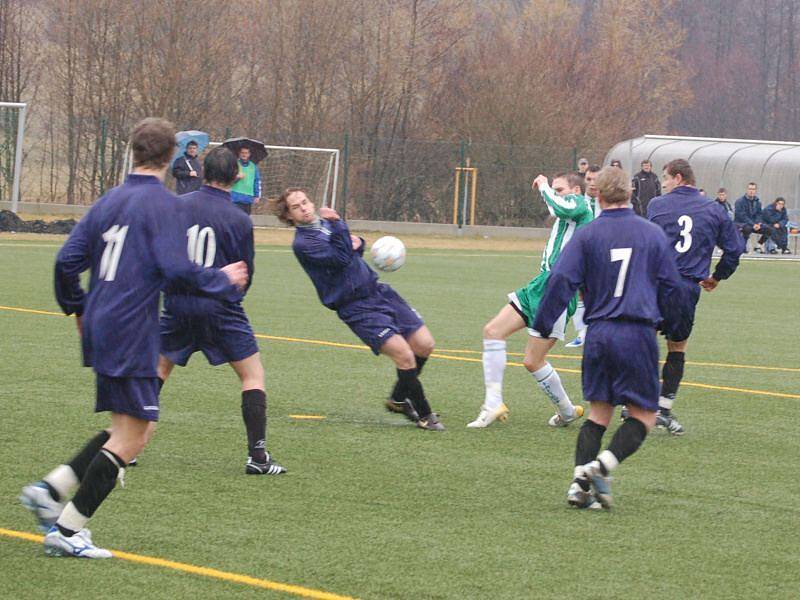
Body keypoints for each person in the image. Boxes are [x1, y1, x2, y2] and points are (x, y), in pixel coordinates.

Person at [20, 118, 248, 558]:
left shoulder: (108, 201)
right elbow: (177, 270)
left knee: (126, 427)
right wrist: (220, 279)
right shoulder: (163, 206)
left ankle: (49, 491)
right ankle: (68, 531)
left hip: (104, 323)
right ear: (171, 157)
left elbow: (66, 262)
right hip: (130, 329)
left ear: (134, 152)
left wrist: (78, 308)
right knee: (137, 434)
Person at [532, 166, 689, 509]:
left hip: (599, 332)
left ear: (597, 196)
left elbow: (560, 280)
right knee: (644, 415)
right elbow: (673, 287)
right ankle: (601, 467)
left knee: (598, 415)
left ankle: (578, 484)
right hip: (637, 333)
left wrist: (544, 322)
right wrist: (671, 323)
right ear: (631, 195)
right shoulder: (650, 234)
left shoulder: (587, 236)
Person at [270, 188, 444, 431]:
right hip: (356, 307)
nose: (305, 208)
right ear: (289, 216)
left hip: (378, 291)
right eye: (297, 207)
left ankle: (397, 398)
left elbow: (351, 250)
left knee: (425, 344)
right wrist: (340, 225)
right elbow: (341, 258)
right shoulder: (304, 243)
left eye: (305, 202)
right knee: (404, 355)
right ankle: (425, 415)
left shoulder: (326, 226)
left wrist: (359, 242)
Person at [158, 146, 285, 474]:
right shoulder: (239, 219)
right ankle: (257, 457)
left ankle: (125, 447)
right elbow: (247, 273)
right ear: (235, 176)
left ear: (203, 172)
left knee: (156, 372)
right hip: (221, 307)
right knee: (252, 375)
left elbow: (164, 257)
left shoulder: (176, 207)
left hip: (178, 305)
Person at [468, 172, 593, 429]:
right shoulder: (568, 209)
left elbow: (559, 204)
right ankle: (493, 403)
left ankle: (567, 411)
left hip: (558, 291)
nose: (556, 194)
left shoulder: (582, 206)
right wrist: (548, 189)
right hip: (539, 285)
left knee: (532, 361)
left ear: (576, 191)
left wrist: (545, 185)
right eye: (555, 189)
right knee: (493, 331)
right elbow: (557, 205)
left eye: (561, 189)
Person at [647, 159, 743, 435]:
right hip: (686, 288)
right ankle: (663, 409)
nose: (662, 184)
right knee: (677, 347)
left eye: (665, 178)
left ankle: (638, 403)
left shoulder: (656, 205)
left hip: (654, 284)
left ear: (678, 178)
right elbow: (734, 250)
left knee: (645, 339)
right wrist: (717, 276)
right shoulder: (714, 209)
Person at [565, 165, 601, 348]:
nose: (592, 183)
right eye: (589, 179)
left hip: (603, 256)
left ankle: (598, 332)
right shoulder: (578, 203)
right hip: (583, 255)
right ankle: (582, 333)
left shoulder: (609, 204)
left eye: (596, 179)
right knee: (580, 293)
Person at [734, 182, 773, 252]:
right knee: (747, 229)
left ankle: (759, 245)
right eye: (750, 189)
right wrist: (753, 224)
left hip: (753, 224)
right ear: (747, 190)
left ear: (755, 190)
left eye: (753, 189)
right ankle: (743, 247)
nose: (751, 191)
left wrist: (758, 223)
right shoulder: (739, 201)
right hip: (741, 223)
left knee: (769, 229)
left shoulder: (757, 202)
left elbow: (759, 214)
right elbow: (742, 216)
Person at [230, 147, 261, 214]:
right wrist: (237, 177)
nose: (244, 154)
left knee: (245, 218)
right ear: (239, 154)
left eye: (246, 153)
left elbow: (257, 181)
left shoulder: (253, 166)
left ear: (249, 154)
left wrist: (257, 195)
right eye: (242, 153)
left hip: (248, 197)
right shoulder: (234, 165)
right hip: (235, 197)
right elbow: (228, 180)